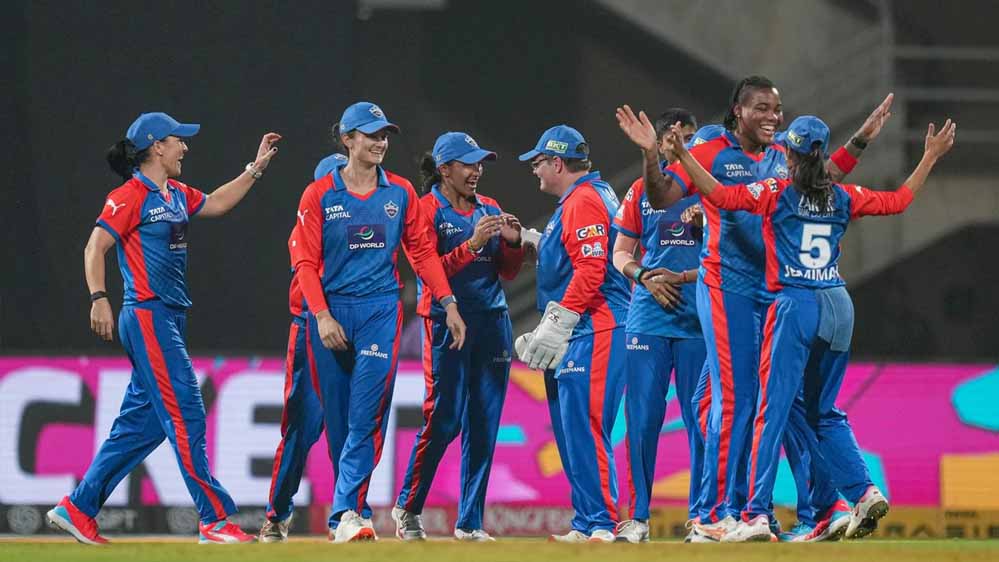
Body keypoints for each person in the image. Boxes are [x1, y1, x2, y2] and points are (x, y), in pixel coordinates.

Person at [616, 80, 894, 540]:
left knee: (789, 403)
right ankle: (716, 514)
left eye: (777, 109)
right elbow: (663, 195)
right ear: (738, 111)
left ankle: (819, 509)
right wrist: (650, 153)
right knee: (736, 400)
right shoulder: (710, 150)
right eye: (762, 108)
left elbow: (824, 178)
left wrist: (861, 139)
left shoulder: (783, 152)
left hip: (780, 294)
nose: (773, 116)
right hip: (729, 289)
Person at [663, 115, 955, 541]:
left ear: (790, 155)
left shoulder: (777, 191)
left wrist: (684, 157)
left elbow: (721, 196)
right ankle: (863, 491)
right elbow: (899, 201)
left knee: (770, 413)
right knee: (823, 411)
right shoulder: (842, 195)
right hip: (838, 305)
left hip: (795, 306)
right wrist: (929, 157)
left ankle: (755, 515)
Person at [47, 112, 280, 545]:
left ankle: (78, 508)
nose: (184, 147)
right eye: (178, 140)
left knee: (146, 425)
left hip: (168, 318)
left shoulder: (174, 193)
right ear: (157, 146)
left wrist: (256, 168)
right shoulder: (129, 195)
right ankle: (214, 519)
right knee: (187, 410)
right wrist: (99, 298)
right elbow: (95, 247)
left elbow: (217, 202)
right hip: (147, 316)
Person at [293, 101, 466, 543]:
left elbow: (422, 253)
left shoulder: (400, 192)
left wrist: (448, 302)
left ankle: (347, 511)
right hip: (332, 312)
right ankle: (350, 512)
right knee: (338, 420)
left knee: (366, 416)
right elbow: (306, 264)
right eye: (371, 134)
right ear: (347, 140)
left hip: (380, 312)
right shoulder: (319, 195)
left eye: (384, 135)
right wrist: (322, 315)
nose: (380, 142)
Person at [392, 132, 525, 542]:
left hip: (492, 322)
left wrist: (513, 245)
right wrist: (473, 244)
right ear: (445, 169)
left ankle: (470, 522)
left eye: (480, 163)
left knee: (484, 423)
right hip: (445, 324)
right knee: (445, 419)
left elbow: (507, 272)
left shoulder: (490, 207)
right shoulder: (425, 210)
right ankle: (408, 507)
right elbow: (429, 272)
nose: (477, 171)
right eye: (468, 163)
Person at [515, 125, 631, 543]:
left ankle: (601, 523)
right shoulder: (585, 197)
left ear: (558, 163)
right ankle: (587, 520)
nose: (535, 170)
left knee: (586, 426)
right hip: (584, 328)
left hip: (595, 327)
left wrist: (556, 323)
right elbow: (574, 256)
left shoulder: (582, 200)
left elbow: (590, 269)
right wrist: (535, 242)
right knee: (573, 431)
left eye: (538, 163)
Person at [611, 109, 707, 544]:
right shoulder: (641, 190)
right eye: (678, 136)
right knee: (642, 419)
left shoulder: (710, 187)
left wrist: (708, 227)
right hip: (648, 317)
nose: (685, 143)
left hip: (698, 317)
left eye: (693, 136)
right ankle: (637, 520)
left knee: (700, 420)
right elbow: (620, 252)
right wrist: (643, 276)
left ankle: (702, 518)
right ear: (663, 140)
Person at [258, 223, 326, 543]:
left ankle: (352, 513)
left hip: (361, 326)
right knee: (301, 427)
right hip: (312, 326)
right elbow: (306, 271)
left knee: (361, 425)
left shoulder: (373, 211)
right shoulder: (311, 218)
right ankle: (277, 515)